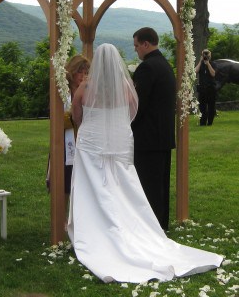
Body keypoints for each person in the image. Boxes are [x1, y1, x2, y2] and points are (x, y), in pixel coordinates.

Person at [68, 43, 222, 283]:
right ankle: (129, 228)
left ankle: (96, 228)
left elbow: (76, 115)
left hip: (91, 143)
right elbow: (132, 111)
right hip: (118, 141)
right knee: (123, 186)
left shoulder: (85, 88)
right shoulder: (126, 87)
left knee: (94, 184)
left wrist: (92, 124)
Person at [131, 27, 176, 231]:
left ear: (146, 44)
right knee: (160, 186)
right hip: (163, 136)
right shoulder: (165, 65)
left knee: (148, 185)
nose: (136, 51)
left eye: (136, 46)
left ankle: (150, 228)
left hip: (148, 137)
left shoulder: (147, 68)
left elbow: (138, 105)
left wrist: (127, 122)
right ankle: (161, 224)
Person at [46, 55, 90, 202]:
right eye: (80, 72)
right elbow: (57, 118)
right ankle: (62, 217)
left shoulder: (87, 91)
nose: (83, 76)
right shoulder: (62, 92)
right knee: (64, 181)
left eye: (86, 72)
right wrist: (73, 115)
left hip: (84, 142)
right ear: (72, 71)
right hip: (65, 142)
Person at [195, 49, 217, 126]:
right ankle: (202, 122)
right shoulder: (200, 64)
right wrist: (200, 62)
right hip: (202, 89)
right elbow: (195, 71)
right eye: (204, 54)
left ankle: (210, 122)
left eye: (207, 55)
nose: (206, 56)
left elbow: (213, 74)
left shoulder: (213, 63)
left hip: (211, 88)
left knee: (211, 106)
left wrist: (208, 64)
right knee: (202, 107)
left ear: (210, 56)